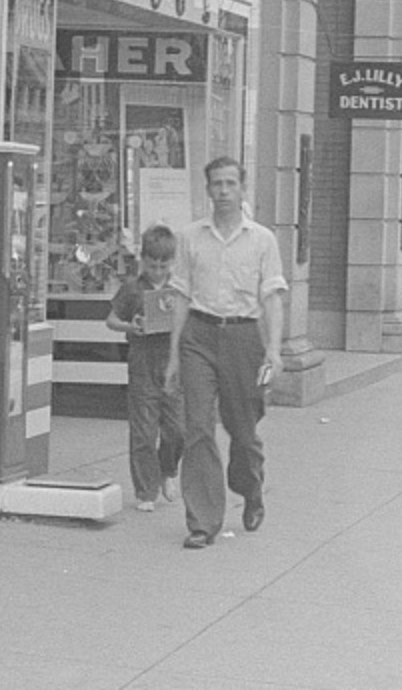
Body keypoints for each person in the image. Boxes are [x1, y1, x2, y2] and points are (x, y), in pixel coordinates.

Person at [166, 158, 287, 550]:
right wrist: (174, 355)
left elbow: (272, 298)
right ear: (207, 189)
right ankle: (203, 521)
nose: (223, 191)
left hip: (243, 337)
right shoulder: (190, 237)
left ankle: (250, 488)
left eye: (230, 183)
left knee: (244, 431)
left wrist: (273, 350)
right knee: (198, 427)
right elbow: (180, 296)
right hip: (199, 335)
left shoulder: (262, 240)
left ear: (242, 188)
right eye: (216, 184)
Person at [106, 225, 184, 512]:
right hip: (143, 361)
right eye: (152, 266)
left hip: (173, 362)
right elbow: (111, 320)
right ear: (143, 260)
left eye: (164, 266)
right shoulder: (132, 288)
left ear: (172, 261)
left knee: (177, 429)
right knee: (143, 431)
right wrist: (131, 326)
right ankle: (145, 490)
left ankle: (168, 468)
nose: (158, 272)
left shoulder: (179, 288)